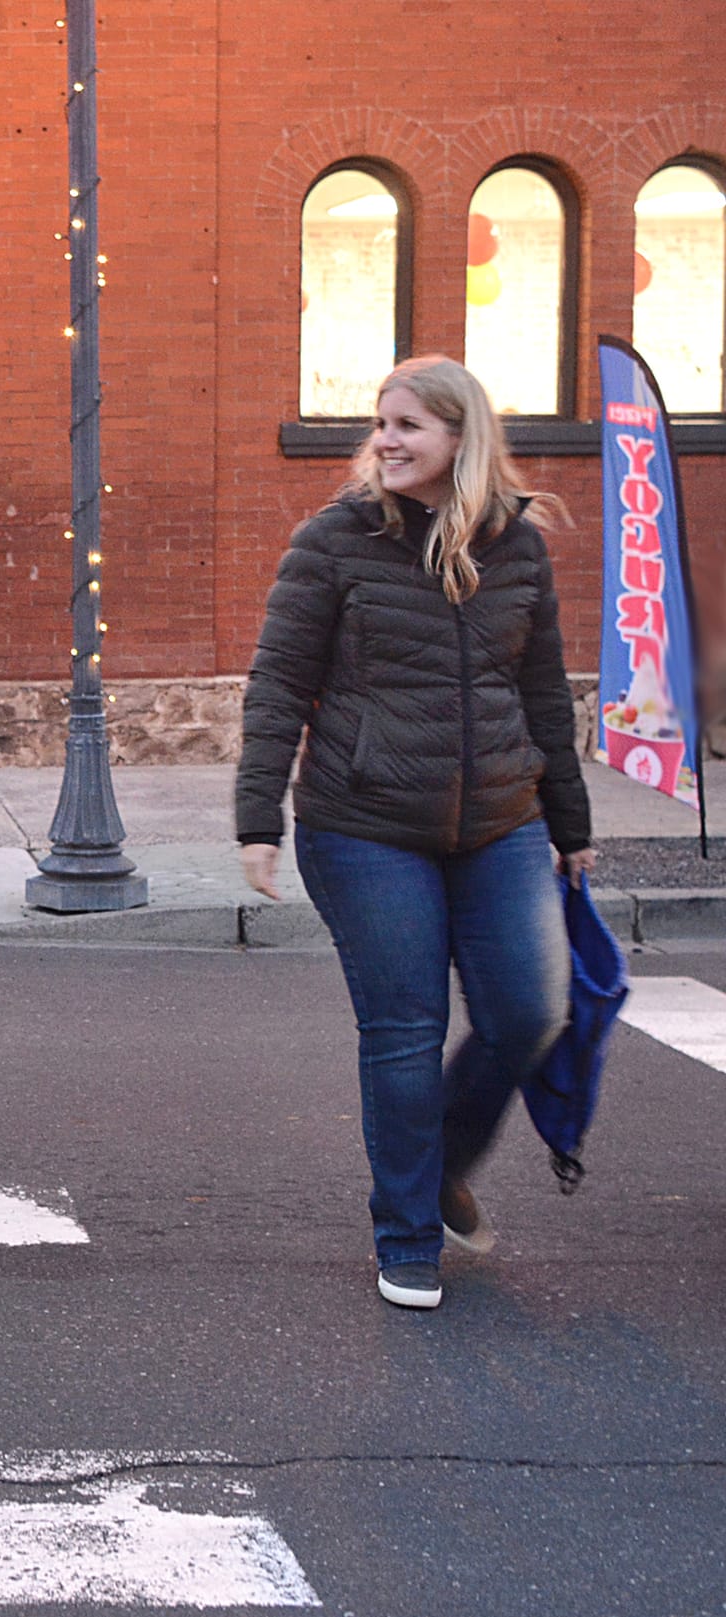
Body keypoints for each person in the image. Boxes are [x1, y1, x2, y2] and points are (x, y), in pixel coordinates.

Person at [234, 355, 593, 1313]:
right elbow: (279, 683)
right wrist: (258, 817)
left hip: (501, 821)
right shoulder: (336, 541)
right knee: (404, 1031)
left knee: (530, 1011)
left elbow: (543, 693)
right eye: (381, 423)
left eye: (408, 426)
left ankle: (440, 1166)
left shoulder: (516, 544)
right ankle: (406, 1236)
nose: (385, 441)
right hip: (367, 824)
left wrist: (570, 822)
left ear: (460, 437)